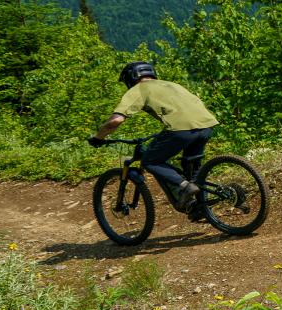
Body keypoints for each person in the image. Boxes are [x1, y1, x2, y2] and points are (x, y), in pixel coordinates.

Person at [89, 62, 218, 213]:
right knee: (192, 167)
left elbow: (116, 121)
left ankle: (185, 186)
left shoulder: (139, 89)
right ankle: (202, 208)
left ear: (130, 78)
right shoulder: (172, 85)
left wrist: (98, 137)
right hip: (207, 125)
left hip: (180, 129)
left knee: (150, 161)